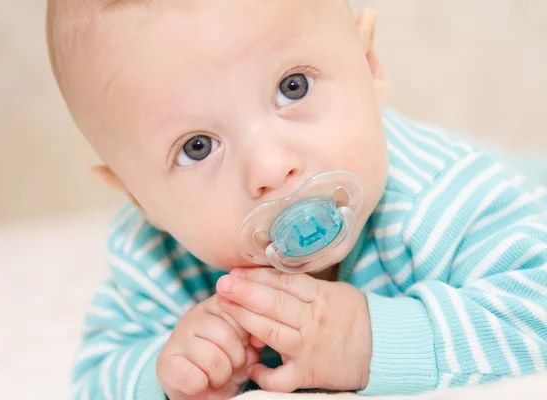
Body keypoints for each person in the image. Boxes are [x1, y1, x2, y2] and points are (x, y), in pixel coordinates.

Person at [45, 0, 547, 398]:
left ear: (368, 64)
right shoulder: (158, 260)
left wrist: (368, 341)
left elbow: (535, 309)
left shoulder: (442, 198)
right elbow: (97, 374)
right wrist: (167, 374)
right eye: (197, 147)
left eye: (294, 86)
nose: (269, 167)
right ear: (140, 200)